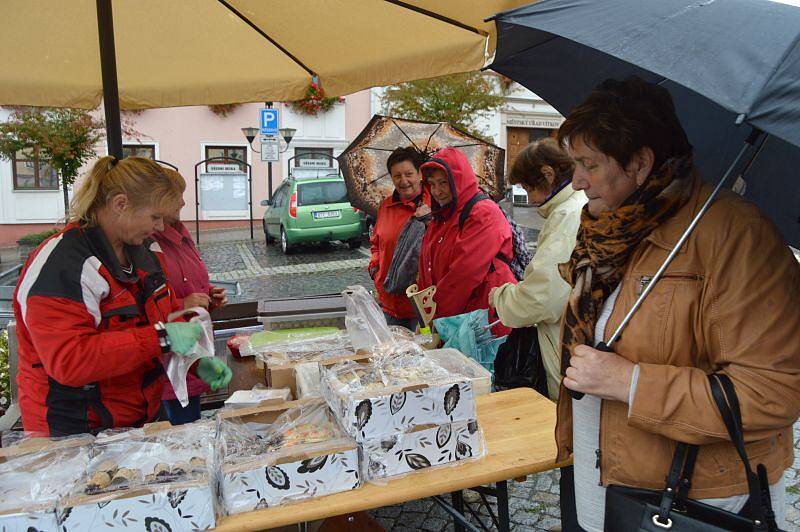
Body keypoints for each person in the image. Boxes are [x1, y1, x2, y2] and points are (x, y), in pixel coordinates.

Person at [556, 78, 799, 531]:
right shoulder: (609, 229)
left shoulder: (734, 236)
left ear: (641, 163)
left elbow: (774, 393)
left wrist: (630, 381)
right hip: (607, 481)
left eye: (589, 164)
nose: (576, 181)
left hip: (694, 501)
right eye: (575, 163)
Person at [13, 156, 232, 436]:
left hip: (138, 419)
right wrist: (162, 338)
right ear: (120, 204)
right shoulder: (63, 265)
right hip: (73, 431)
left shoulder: (147, 253)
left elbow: (163, 323)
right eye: (154, 217)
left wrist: (197, 363)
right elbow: (69, 360)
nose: (161, 227)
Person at [489, 138, 586, 401]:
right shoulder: (569, 210)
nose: (530, 199)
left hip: (566, 347)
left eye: (529, 189)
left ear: (548, 175)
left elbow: (542, 296)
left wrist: (501, 297)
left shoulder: (568, 215)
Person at [152, 169, 228, 425]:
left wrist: (209, 298)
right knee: (180, 432)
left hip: (194, 354)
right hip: (170, 365)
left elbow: (191, 284)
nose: (183, 202)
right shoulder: (147, 243)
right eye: (177, 196)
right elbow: (149, 304)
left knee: (191, 423)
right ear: (158, 200)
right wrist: (183, 305)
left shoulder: (182, 236)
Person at [417, 147, 515, 335]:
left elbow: (464, 274)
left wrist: (434, 317)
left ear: (458, 180)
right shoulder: (441, 217)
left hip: (485, 322)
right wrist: (425, 314)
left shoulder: (482, 212)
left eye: (443, 183)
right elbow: (426, 267)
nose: (437, 191)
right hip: (459, 320)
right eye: (432, 184)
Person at [368, 147, 430, 330]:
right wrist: (375, 270)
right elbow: (376, 245)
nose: (404, 181)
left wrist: (429, 220)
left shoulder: (433, 205)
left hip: (421, 304)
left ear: (420, 174)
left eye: (409, 173)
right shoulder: (386, 207)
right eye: (397, 176)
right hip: (389, 303)